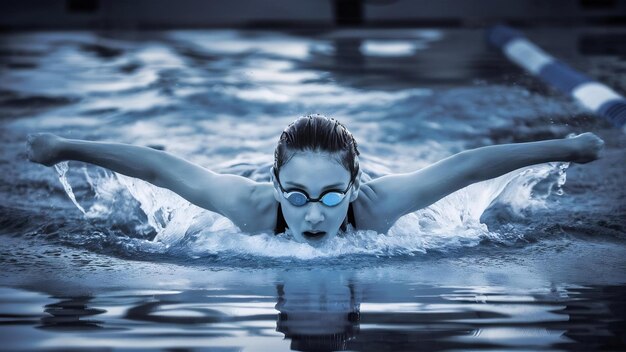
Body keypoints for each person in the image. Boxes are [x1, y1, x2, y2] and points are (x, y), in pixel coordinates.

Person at [27, 115, 604, 246]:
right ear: (276, 186)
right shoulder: (247, 207)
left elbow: (473, 165)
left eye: (331, 196)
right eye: (297, 196)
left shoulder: (380, 207)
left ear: (353, 188)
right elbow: (157, 167)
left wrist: (569, 148)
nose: (313, 213)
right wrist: (65, 148)